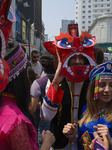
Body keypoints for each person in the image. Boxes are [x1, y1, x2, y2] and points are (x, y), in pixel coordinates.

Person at [40, 29, 104, 150]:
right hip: (60, 143)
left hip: (86, 144)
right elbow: (46, 116)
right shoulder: (56, 82)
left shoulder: (93, 82)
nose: (77, 61)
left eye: (81, 57)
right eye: (73, 57)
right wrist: (56, 82)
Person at [0, 40, 55, 150]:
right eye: (26, 71)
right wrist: (47, 143)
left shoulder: (4, 105)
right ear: (20, 77)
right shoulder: (16, 120)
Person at [63, 61, 112, 150]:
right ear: (94, 88)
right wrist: (74, 136)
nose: (107, 90)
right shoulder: (86, 109)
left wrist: (110, 141)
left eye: (111, 85)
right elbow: (87, 144)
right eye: (102, 85)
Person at [29, 53, 56, 148]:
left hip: (43, 122)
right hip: (59, 120)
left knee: (44, 145)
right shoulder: (61, 81)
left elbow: (32, 108)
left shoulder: (38, 83)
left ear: (43, 67)